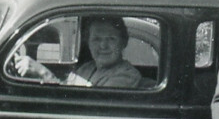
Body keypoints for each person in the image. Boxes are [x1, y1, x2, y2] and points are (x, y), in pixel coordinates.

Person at [13, 16, 143, 88]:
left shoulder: (126, 76)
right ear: (89, 43)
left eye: (111, 39)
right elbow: (66, 89)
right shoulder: (87, 68)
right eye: (96, 39)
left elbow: (90, 107)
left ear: (123, 42)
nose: (103, 45)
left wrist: (44, 74)